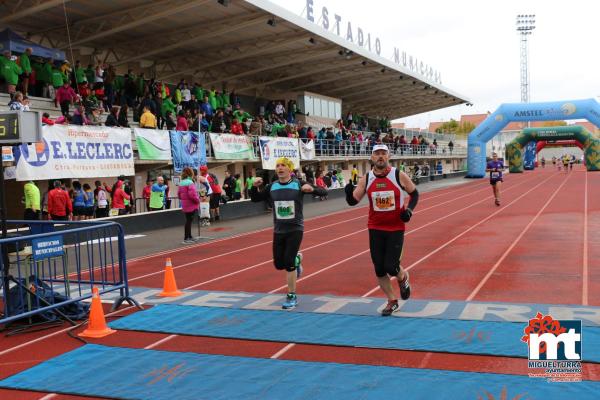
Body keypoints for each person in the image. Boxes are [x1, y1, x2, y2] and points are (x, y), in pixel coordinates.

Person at [344, 144, 418, 316]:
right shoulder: (367, 178)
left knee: (391, 266)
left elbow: (415, 194)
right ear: (372, 158)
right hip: (375, 227)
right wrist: (348, 194)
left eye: (383, 153)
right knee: (379, 268)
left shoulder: (398, 175)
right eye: (377, 153)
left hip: (395, 228)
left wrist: (409, 211)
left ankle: (403, 277)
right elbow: (353, 201)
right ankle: (392, 300)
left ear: (388, 156)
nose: (380, 156)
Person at [250, 157, 327, 309]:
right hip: (279, 230)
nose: (279, 168)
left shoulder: (298, 184)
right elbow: (255, 199)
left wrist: (312, 189)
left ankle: (291, 295)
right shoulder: (272, 186)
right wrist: (254, 187)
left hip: (295, 229)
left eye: (283, 165)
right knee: (279, 264)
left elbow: (323, 191)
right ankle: (298, 259)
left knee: (288, 264)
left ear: (289, 169)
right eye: (277, 165)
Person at [177, 167, 201, 244]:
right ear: (190, 173)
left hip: (185, 204)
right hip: (191, 204)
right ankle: (187, 237)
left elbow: (179, 195)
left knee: (188, 220)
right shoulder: (190, 182)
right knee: (189, 221)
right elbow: (192, 195)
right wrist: (198, 201)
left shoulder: (181, 182)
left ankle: (189, 236)